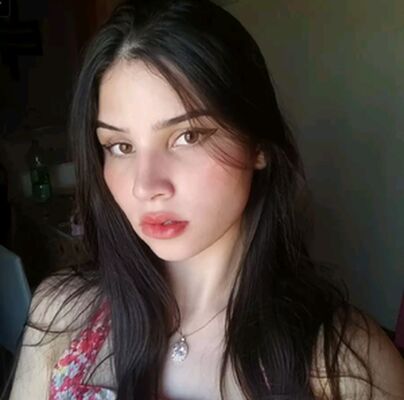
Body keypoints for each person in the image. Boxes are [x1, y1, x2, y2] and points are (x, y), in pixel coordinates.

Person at [7, 0, 404, 399]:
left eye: (188, 136)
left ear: (257, 145)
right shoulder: (61, 316)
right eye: (121, 146)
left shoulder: (348, 366)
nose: (146, 186)